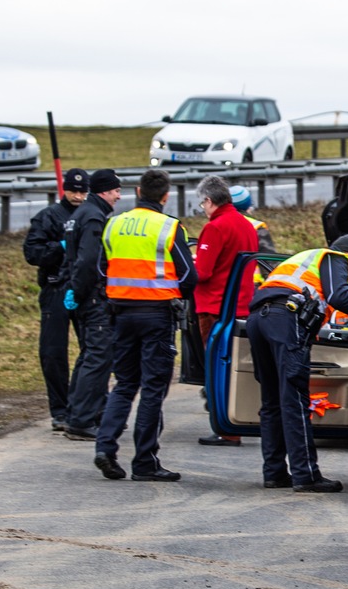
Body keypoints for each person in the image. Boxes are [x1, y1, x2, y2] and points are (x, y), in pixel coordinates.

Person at [246, 236, 348, 492]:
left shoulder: (303, 263)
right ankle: (306, 476)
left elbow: (333, 306)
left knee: (272, 401)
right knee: (295, 400)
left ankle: (274, 473)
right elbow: (339, 295)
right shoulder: (334, 257)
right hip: (285, 318)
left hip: (259, 319)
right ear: (347, 253)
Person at [93, 169, 196, 481]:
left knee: (125, 383)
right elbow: (189, 276)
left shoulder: (114, 224)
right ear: (165, 196)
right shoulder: (168, 226)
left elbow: (100, 269)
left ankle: (105, 447)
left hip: (120, 312)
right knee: (153, 387)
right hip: (157, 314)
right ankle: (145, 462)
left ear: (137, 191)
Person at [194, 177, 260, 446]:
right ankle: (237, 419)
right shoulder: (247, 226)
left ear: (209, 201)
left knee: (215, 367)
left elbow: (203, 271)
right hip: (242, 305)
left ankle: (225, 428)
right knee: (233, 368)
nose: (203, 208)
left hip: (214, 307)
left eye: (202, 203)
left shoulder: (215, 228)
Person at [22, 168, 89, 431]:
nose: (78, 196)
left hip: (84, 290)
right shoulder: (48, 217)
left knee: (93, 351)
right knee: (53, 353)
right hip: (55, 289)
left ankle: (84, 405)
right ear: (65, 189)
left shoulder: (92, 216)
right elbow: (32, 253)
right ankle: (60, 410)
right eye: (74, 190)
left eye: (83, 191)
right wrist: (60, 247)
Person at [62, 168, 124, 441]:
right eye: (115, 191)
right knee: (98, 358)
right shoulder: (93, 217)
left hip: (83, 295)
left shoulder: (81, 214)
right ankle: (82, 420)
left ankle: (79, 413)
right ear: (104, 191)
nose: (118, 197)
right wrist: (80, 289)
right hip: (94, 297)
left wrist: (75, 290)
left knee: (88, 355)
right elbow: (88, 261)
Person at [230, 184, 278, 260]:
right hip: (252, 272)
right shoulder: (257, 227)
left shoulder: (217, 225)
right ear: (249, 206)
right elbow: (269, 261)